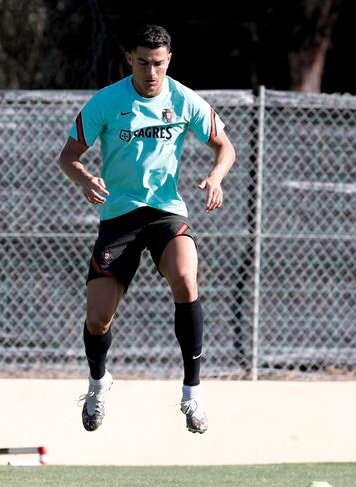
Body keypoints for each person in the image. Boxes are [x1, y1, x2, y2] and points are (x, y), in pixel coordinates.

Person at [57, 25, 235, 434]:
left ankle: (193, 393)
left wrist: (216, 177)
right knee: (99, 318)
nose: (150, 72)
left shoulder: (184, 99)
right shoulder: (107, 102)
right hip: (119, 217)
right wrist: (84, 179)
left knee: (187, 279)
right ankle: (98, 384)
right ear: (130, 60)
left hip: (166, 213)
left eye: (158, 63)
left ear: (169, 60)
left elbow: (225, 147)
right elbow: (68, 157)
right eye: (142, 63)